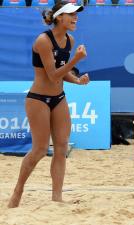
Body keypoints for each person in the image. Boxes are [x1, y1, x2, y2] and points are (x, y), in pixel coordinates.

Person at [8, 1, 89, 208]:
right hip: (38, 99)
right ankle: (18, 190)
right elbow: (53, 75)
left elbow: (62, 73)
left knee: (61, 147)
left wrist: (77, 80)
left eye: (76, 14)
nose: (75, 17)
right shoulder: (43, 41)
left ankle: (57, 197)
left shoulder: (69, 40)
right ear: (59, 17)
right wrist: (76, 61)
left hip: (58, 97)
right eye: (71, 14)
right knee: (40, 150)